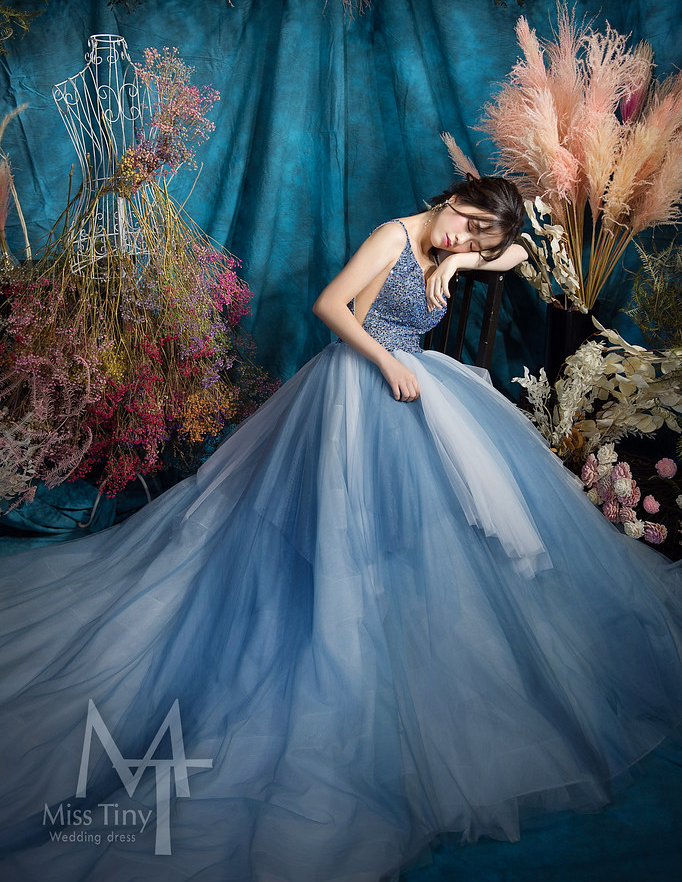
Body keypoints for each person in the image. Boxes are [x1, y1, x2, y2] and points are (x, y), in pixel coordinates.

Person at [0, 175, 681, 882]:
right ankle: (340, 620)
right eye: (466, 223)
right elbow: (330, 305)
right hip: (361, 377)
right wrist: (386, 355)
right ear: (452, 198)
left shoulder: (459, 246)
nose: (466, 238)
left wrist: (460, 260)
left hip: (415, 380)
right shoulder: (393, 235)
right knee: (342, 510)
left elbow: (518, 255)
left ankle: (404, 620)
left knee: (448, 512)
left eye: (481, 236)